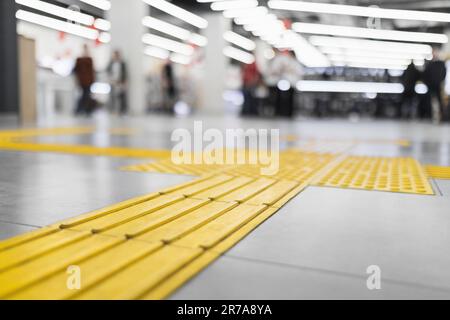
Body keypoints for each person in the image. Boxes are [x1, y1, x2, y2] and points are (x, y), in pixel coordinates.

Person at [266, 50, 302, 118]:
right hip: (284, 82)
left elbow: (299, 73)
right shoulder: (285, 61)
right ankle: (280, 112)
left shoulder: (296, 63)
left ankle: (289, 113)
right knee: (281, 98)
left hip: (292, 83)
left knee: (290, 99)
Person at [422, 48, 447, 123]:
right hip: (430, 86)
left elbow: (444, 73)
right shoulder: (429, 64)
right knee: (429, 101)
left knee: (439, 101)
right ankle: (430, 116)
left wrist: (440, 81)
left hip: (438, 85)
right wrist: (427, 83)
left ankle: (441, 117)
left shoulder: (441, 63)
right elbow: (425, 75)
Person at [73, 44, 95, 115]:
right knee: (83, 95)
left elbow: (92, 71)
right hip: (82, 81)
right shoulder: (79, 60)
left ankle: (86, 110)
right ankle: (79, 110)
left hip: (88, 81)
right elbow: (76, 70)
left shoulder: (89, 59)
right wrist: (76, 80)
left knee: (87, 95)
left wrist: (92, 80)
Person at [107, 50, 128, 115]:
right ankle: (112, 110)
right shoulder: (111, 63)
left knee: (121, 96)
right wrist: (110, 80)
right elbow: (108, 71)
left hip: (120, 82)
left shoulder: (122, 63)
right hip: (113, 82)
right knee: (112, 97)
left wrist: (124, 82)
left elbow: (125, 73)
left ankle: (122, 111)